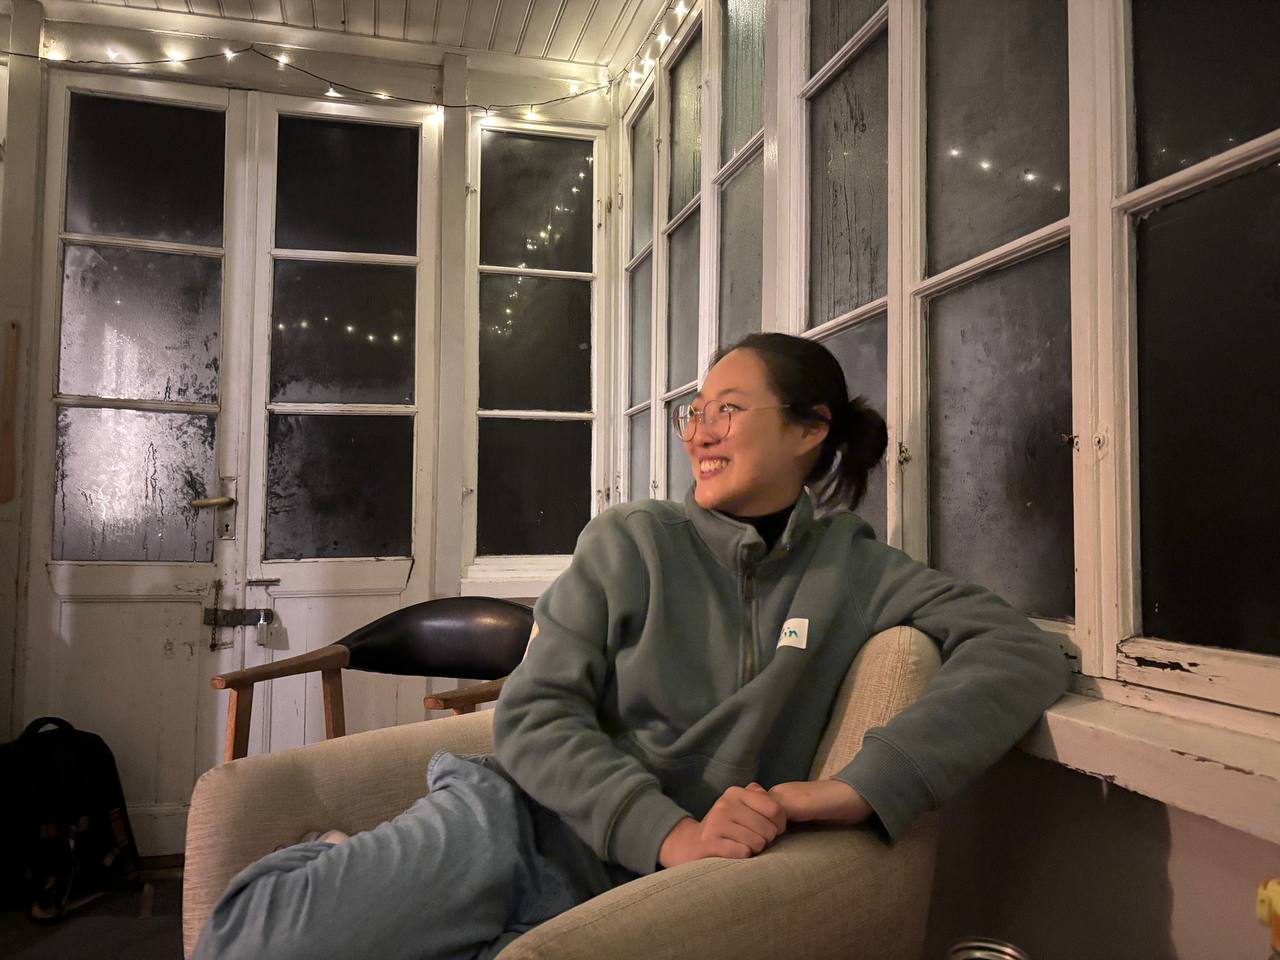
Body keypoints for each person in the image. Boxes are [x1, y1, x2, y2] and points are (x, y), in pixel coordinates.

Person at [195, 333, 1070, 960]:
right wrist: (674, 833)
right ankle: (326, 864)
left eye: (730, 410)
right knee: (254, 944)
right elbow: (533, 717)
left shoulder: (861, 573)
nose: (700, 431)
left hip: (629, 902)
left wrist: (856, 790)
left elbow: (1023, 653)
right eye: (698, 412)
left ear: (810, 430)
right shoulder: (632, 541)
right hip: (513, 827)